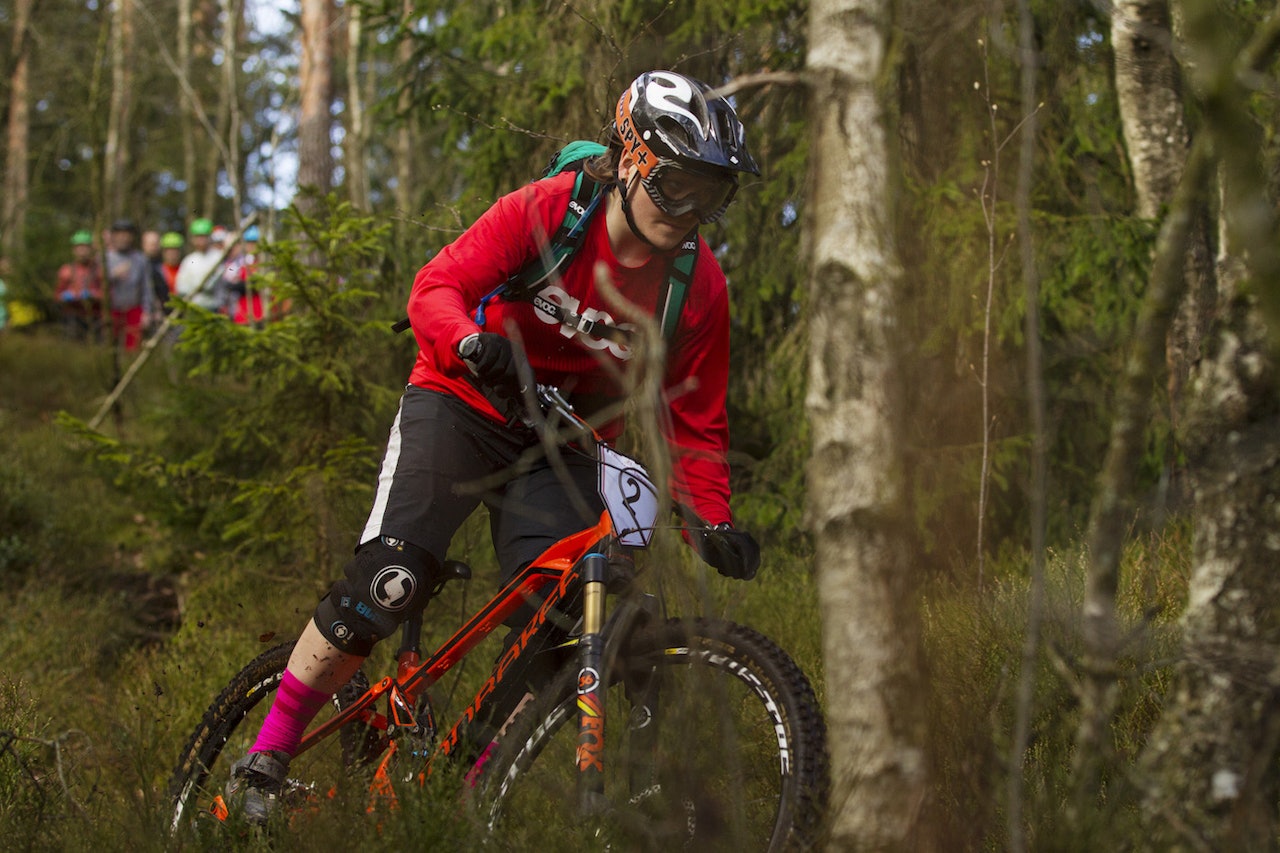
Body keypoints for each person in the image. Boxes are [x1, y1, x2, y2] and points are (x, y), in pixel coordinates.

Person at [224, 70, 763, 822]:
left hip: (562, 442)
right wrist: (471, 340)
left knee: (569, 617)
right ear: (633, 159)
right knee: (391, 578)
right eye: (678, 185)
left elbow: (697, 421)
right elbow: (435, 287)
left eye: (712, 193)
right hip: (463, 402)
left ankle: (466, 783)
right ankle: (268, 753)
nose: (692, 210)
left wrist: (713, 519)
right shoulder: (549, 212)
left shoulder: (697, 286)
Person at [105, 220, 154, 351]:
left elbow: (146, 288)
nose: (123, 238)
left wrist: (147, 312)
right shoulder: (105, 258)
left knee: (132, 349)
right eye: (119, 234)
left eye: (127, 234)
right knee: (109, 348)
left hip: (134, 311)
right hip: (110, 311)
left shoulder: (140, 259)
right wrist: (113, 275)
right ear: (113, 236)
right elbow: (97, 284)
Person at [55, 230, 105, 341]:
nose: (82, 251)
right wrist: (65, 296)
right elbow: (57, 296)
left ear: (91, 249)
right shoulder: (66, 270)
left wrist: (94, 295)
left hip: (95, 319)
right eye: (79, 247)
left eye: (85, 247)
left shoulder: (99, 270)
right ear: (74, 250)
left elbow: (107, 295)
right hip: (72, 319)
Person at [173, 218, 225, 313]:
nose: (201, 240)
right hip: (194, 309)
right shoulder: (189, 260)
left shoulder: (218, 257)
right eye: (198, 237)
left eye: (203, 236)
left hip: (214, 308)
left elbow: (217, 283)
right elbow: (180, 286)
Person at [227, 225, 265, 324]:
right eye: (249, 242)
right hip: (243, 317)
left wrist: (242, 284)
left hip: (261, 315)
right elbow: (230, 283)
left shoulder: (265, 264)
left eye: (254, 242)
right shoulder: (242, 263)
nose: (251, 246)